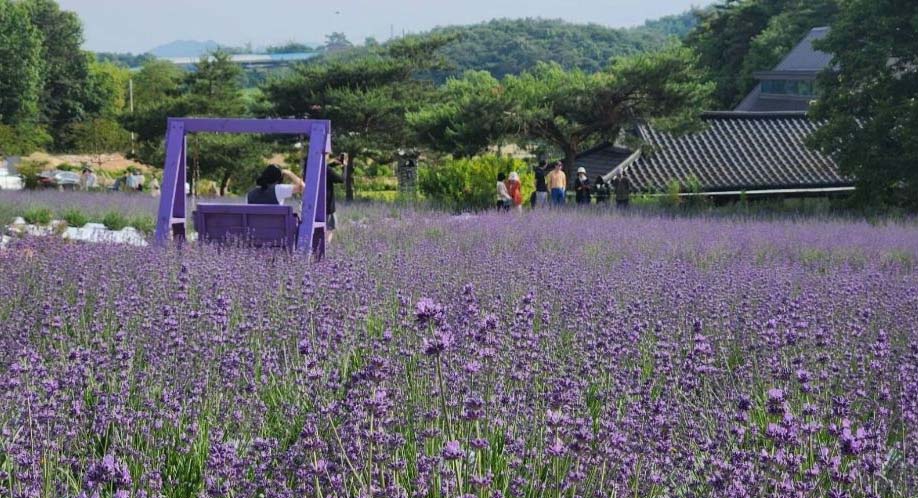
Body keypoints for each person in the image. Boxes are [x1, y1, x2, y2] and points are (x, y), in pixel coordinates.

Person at [325, 156, 345, 245]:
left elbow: (323, 167)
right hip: (327, 206)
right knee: (329, 228)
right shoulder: (327, 170)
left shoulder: (311, 167)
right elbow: (341, 179)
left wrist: (333, 164)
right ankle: (326, 246)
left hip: (315, 206)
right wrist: (344, 167)